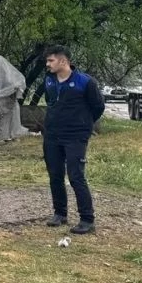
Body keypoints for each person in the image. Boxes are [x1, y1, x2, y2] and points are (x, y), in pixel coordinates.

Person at [41, 45, 105, 235]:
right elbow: (50, 102)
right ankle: (60, 213)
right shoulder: (49, 80)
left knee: (76, 176)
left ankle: (87, 219)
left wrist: (84, 125)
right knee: (55, 175)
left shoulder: (85, 82)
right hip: (52, 135)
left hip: (75, 136)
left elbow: (98, 107)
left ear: (63, 61)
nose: (47, 64)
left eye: (51, 60)